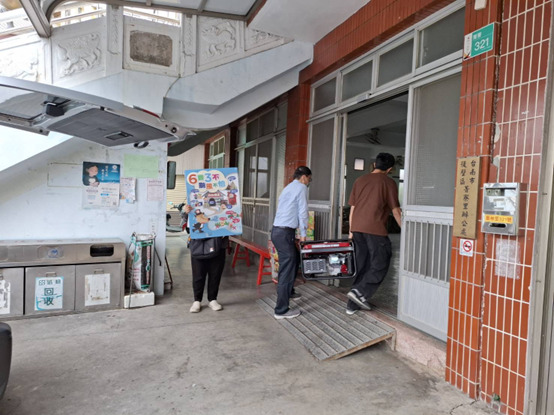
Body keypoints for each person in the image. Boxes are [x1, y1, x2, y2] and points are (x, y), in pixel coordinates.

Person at [346, 153, 402, 315]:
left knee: (362, 265)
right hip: (375, 229)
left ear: (374, 165)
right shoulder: (388, 182)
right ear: (390, 169)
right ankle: (360, 292)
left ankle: (352, 305)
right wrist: (406, 230)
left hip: (357, 228)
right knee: (380, 262)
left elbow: (353, 207)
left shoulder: (360, 180)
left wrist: (351, 230)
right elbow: (396, 211)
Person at [271, 166, 312, 320]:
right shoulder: (301, 187)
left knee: (293, 260)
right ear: (304, 177)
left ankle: (289, 292)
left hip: (278, 231)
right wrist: (303, 235)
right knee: (287, 270)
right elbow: (303, 212)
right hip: (285, 232)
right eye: (309, 179)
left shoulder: (288, 187)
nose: (309, 182)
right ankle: (281, 310)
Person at [183, 204, 228, 313]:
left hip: (218, 243)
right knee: (198, 274)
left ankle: (212, 299)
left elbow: (229, 223)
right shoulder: (193, 202)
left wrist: (236, 217)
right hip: (198, 244)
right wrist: (186, 212)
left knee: (215, 273)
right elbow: (188, 228)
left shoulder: (222, 202)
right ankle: (197, 300)